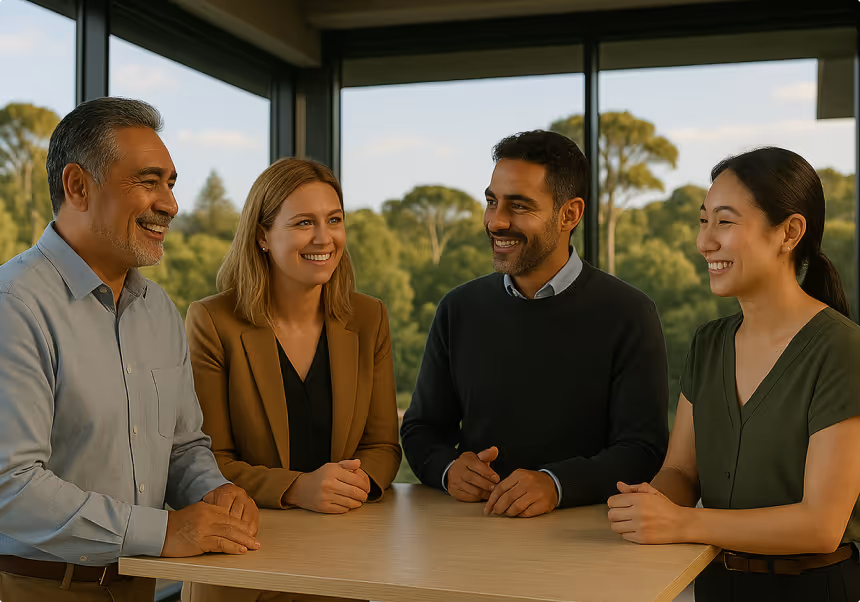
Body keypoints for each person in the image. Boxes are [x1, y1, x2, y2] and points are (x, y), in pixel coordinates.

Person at [0, 98, 259, 602]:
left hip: (139, 586)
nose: (171, 204)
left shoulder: (158, 309)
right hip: (35, 588)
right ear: (78, 186)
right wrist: (165, 531)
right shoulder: (14, 305)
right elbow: (10, 485)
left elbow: (182, 447)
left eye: (171, 183)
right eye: (148, 181)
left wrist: (215, 492)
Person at [607, 147, 860, 601]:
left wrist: (681, 522)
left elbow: (821, 525)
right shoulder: (708, 343)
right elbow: (681, 469)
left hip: (815, 590)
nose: (704, 242)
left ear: (790, 232)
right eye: (703, 221)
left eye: (724, 222)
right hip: (716, 585)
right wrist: (651, 502)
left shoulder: (841, 348)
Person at [400, 130, 669, 518]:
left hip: (584, 537)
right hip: (472, 531)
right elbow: (421, 429)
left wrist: (556, 484)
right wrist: (448, 469)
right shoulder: (458, 308)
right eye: (492, 202)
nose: (496, 221)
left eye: (519, 206)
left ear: (570, 214)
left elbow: (643, 450)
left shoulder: (630, 313)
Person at [182, 158, 402, 602]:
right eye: (304, 223)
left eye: (334, 220)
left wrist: (354, 484)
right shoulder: (213, 321)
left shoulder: (369, 316)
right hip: (241, 565)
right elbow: (207, 461)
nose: (324, 238)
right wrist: (298, 489)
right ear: (262, 235)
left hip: (341, 563)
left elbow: (383, 446)